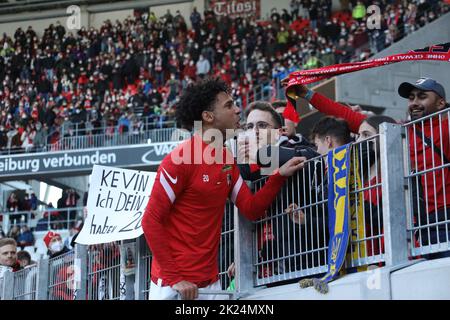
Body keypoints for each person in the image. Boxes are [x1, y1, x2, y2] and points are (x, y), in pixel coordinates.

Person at [142, 78, 307, 300]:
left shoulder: (226, 159)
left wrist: (278, 176)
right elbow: (150, 221)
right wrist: (175, 278)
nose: (238, 110)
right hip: (174, 286)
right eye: (229, 105)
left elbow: (251, 209)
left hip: (212, 283)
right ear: (208, 117)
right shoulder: (180, 159)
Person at [286, 78, 450, 258]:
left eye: (422, 97)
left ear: (441, 103)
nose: (415, 103)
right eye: (411, 98)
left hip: (444, 219)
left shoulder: (446, 127)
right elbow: (344, 114)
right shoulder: (397, 131)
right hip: (416, 224)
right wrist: (307, 94)